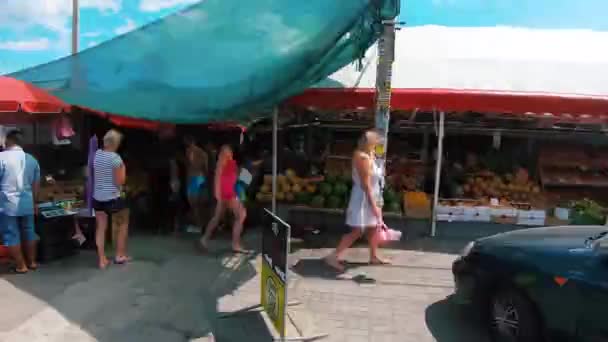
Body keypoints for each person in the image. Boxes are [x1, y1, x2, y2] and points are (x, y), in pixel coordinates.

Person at [324, 129, 389, 272]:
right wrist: (374, 207)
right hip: (363, 197)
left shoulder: (372, 155)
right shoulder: (362, 157)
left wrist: (380, 159)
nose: (379, 144)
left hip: (374, 194)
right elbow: (366, 185)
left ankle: (373, 256)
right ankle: (333, 256)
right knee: (358, 230)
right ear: (369, 142)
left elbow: (378, 175)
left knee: (373, 228)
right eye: (377, 142)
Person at [0, 130, 40, 274]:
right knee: (29, 231)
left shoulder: (1, 157)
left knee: (11, 234)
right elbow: (36, 184)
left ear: (9, 141)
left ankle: (21, 266)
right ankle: (32, 262)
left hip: (7, 204)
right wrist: (34, 203)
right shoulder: (32, 159)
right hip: (27, 202)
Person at [93, 130, 130, 269]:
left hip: (98, 198)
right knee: (123, 223)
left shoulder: (97, 155)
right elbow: (120, 182)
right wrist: (124, 168)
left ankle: (102, 259)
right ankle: (120, 255)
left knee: (101, 228)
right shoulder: (116, 158)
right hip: (113, 197)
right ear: (115, 143)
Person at [200, 145, 247, 253]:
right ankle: (235, 244)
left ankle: (204, 239)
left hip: (224, 194)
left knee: (216, 218)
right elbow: (238, 177)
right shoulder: (228, 163)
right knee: (241, 215)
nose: (228, 154)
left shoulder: (222, 163)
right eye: (226, 152)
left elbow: (221, 178)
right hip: (228, 194)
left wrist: (218, 195)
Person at [184, 136, 208, 232]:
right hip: (201, 177)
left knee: (194, 204)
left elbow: (190, 164)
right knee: (200, 203)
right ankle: (202, 224)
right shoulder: (203, 153)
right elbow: (205, 168)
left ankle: (199, 225)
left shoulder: (189, 151)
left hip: (193, 178)